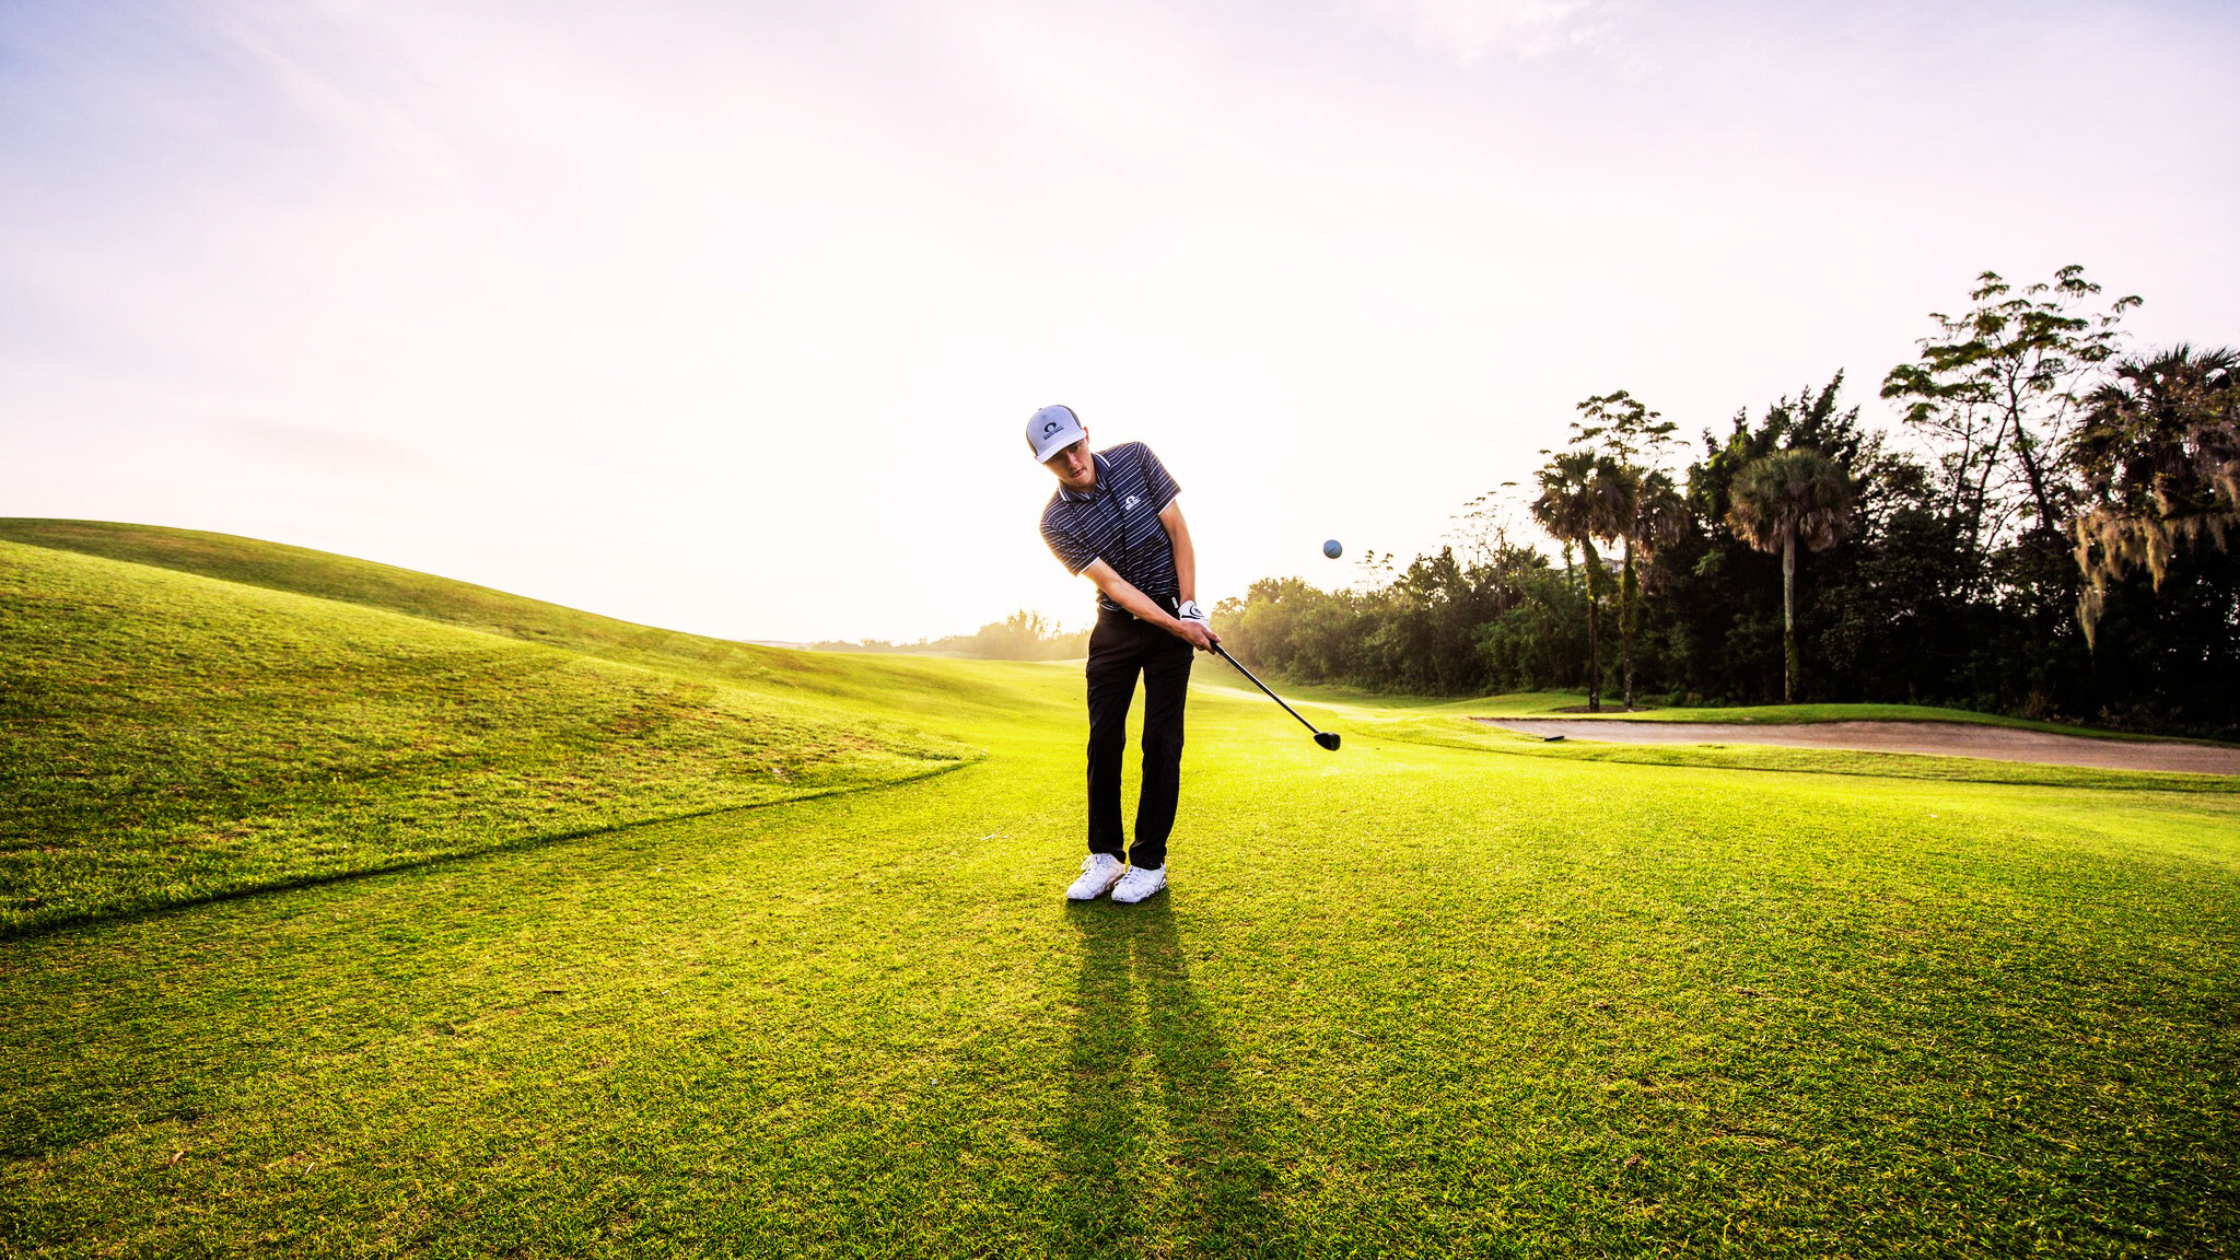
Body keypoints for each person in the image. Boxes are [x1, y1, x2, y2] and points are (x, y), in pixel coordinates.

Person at [1027, 404, 1218, 904]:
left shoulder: (1136, 458)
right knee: (1104, 739)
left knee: (1161, 741)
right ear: (1044, 464)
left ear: (1086, 435)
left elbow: (1178, 532)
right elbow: (1114, 585)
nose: (1073, 462)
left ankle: (1149, 863)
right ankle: (1106, 857)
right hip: (1117, 626)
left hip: (1172, 611)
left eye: (1075, 447)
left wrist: (1189, 606)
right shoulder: (1054, 521)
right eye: (1057, 458)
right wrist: (1177, 626)